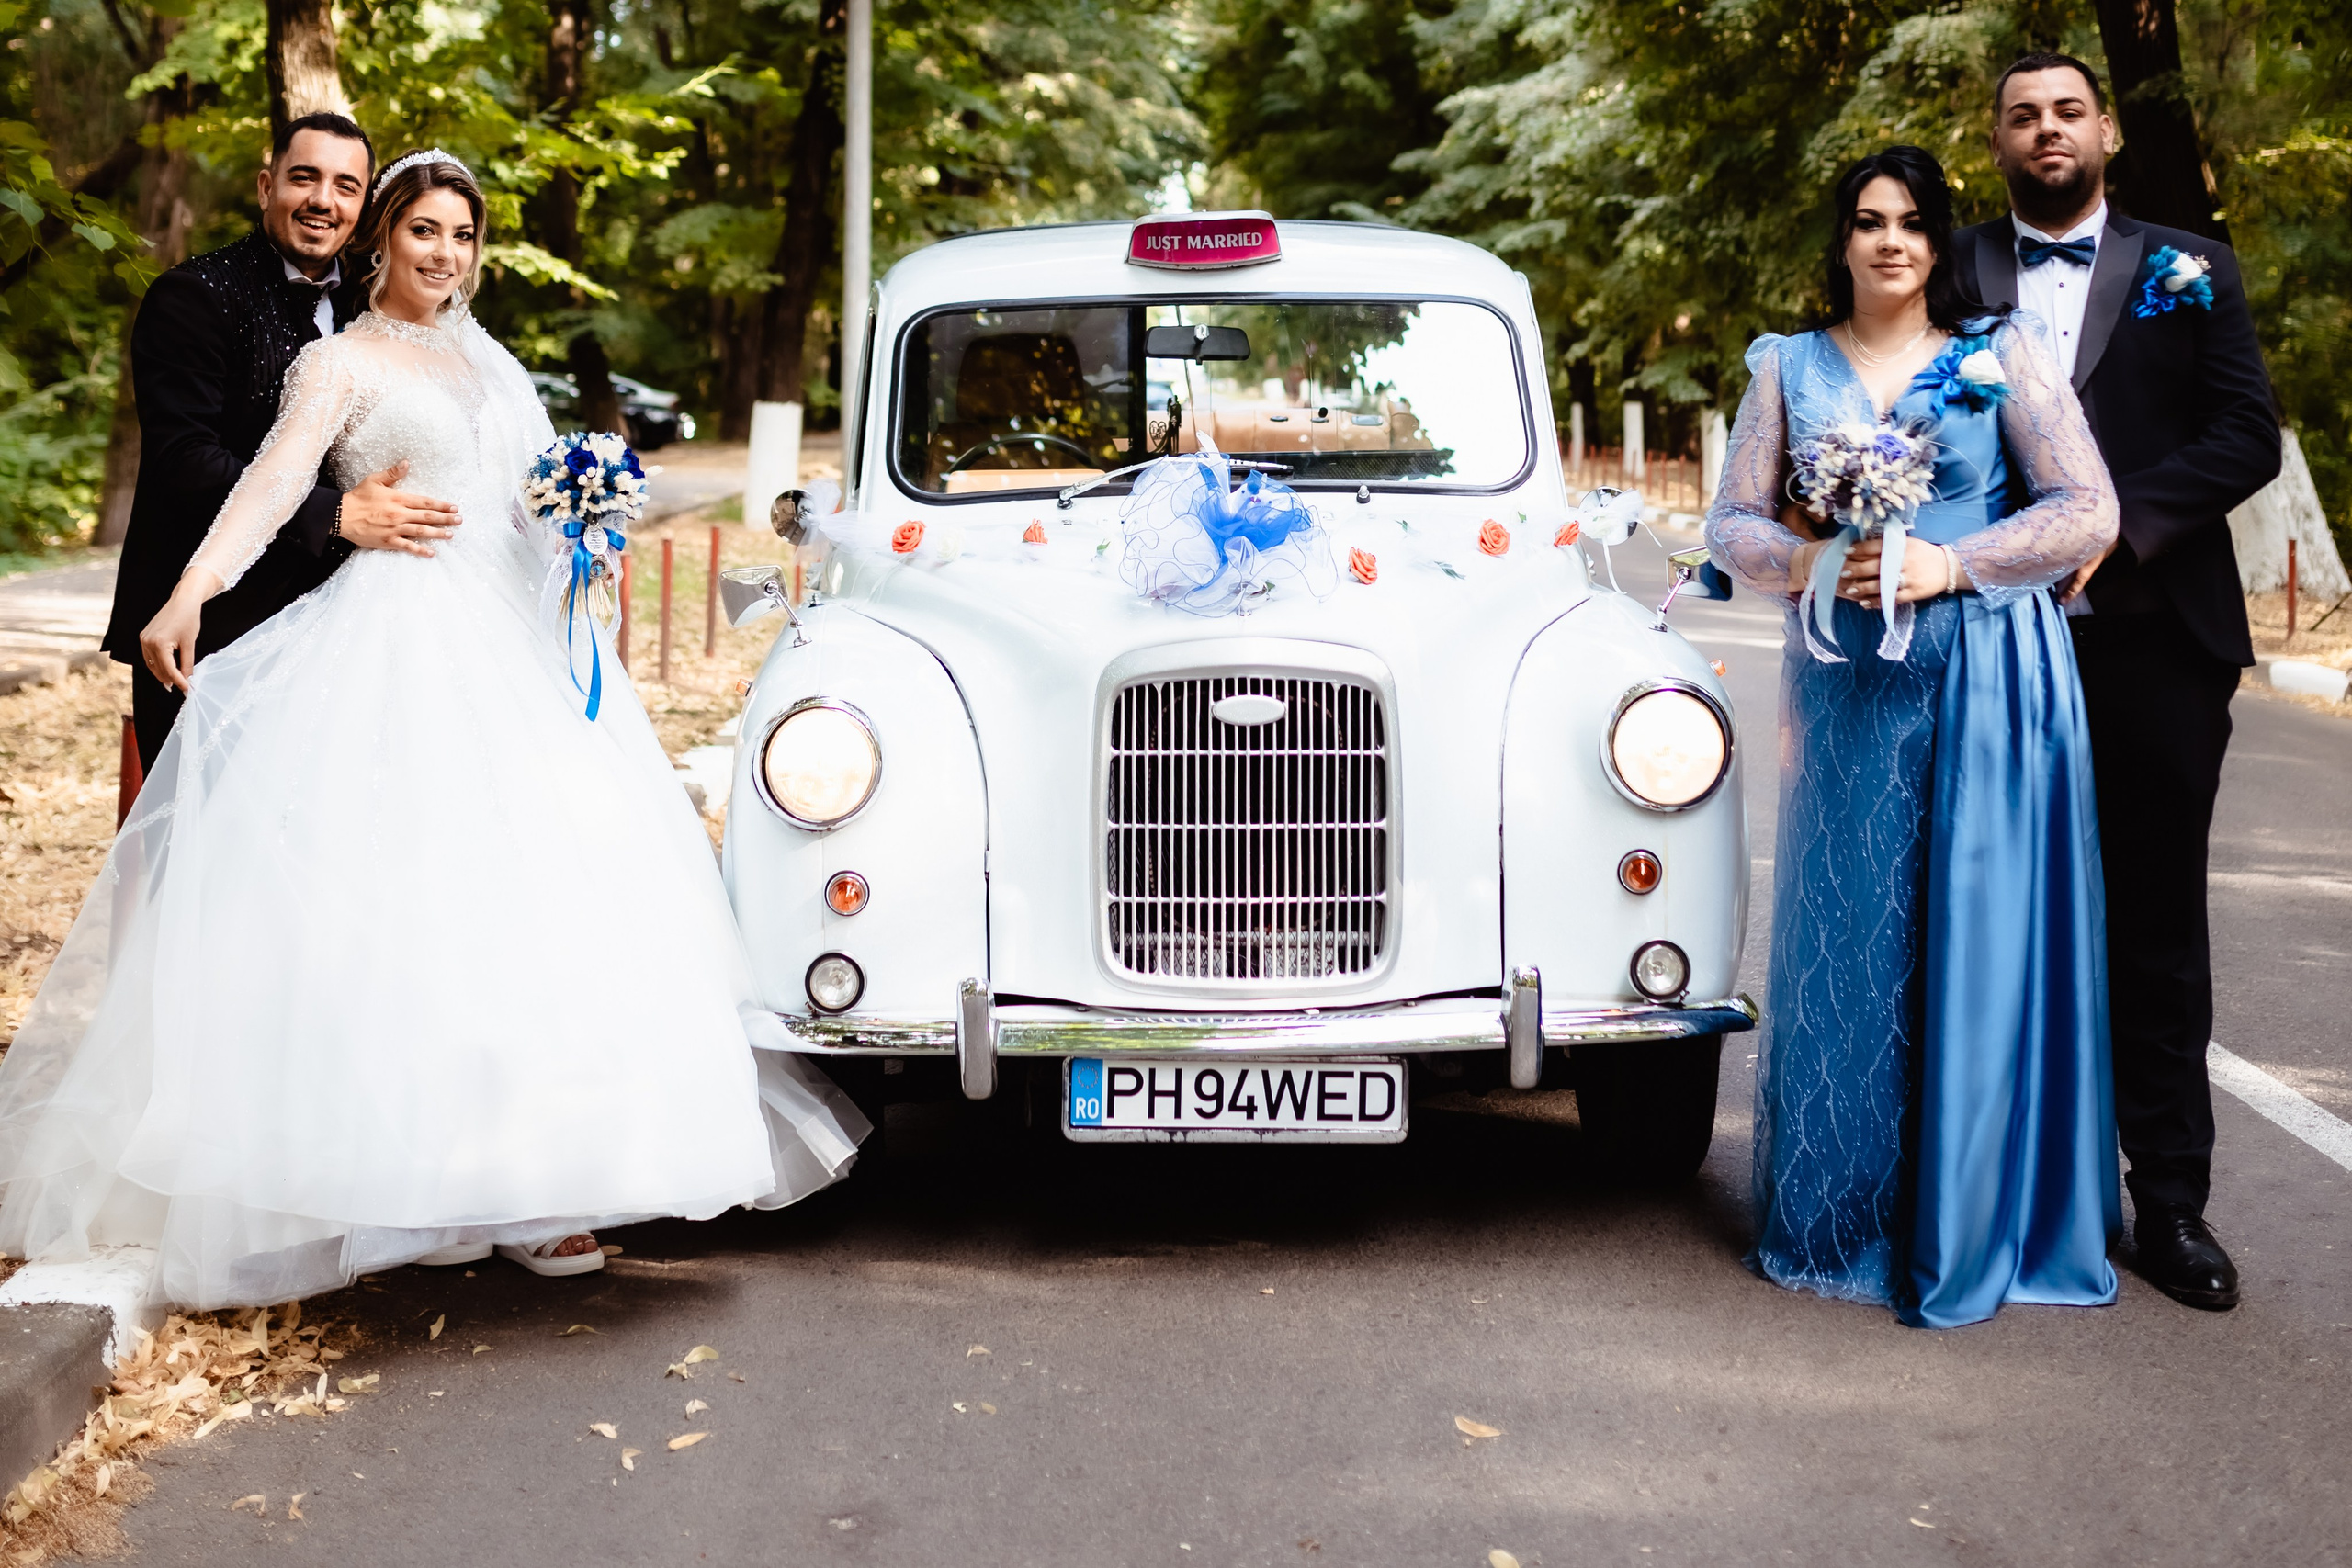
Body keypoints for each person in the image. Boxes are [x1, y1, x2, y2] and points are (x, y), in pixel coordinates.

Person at [0, 151, 866, 1309]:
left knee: (533, 903)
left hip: (514, 639)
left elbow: (523, 502)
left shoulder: (490, 361)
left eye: (463, 236)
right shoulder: (338, 363)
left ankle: (533, 1190)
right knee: (401, 908)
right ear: (384, 239)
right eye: (424, 232)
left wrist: (584, 538)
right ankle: (415, 1190)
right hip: (392, 639)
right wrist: (189, 592)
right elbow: (264, 488)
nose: (444, 254)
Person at [1706, 146, 2122, 1328]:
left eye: (1913, 223)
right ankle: (1833, 1222)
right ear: (1839, 240)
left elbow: (2086, 507)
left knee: (1976, 936)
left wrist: (1956, 561)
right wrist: (1803, 562)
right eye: (1867, 221)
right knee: (1849, 931)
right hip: (1844, 682)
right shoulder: (1787, 368)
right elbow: (1730, 518)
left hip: (1992, 669)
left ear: (1940, 241)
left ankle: (1977, 1215)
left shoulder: (2001, 353)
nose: (1891, 241)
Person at [1951, 54, 2283, 1313]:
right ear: (1997, 141)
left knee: (2152, 922)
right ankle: (1990, 1186)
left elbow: (2245, 433)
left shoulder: (2189, 265)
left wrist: (2114, 527)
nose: (2049, 130)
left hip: (2155, 639)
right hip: (1985, 634)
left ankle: (2174, 1203)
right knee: (1988, 907)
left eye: (2068, 112)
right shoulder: (1952, 264)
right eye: (2024, 115)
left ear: (2106, 131)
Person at [102, 112, 465, 776]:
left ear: (365, 208)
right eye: (305, 178)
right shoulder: (193, 297)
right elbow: (184, 460)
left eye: (346, 186)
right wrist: (332, 513)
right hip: (210, 624)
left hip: (338, 626)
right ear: (266, 186)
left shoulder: (375, 303)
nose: (324, 200)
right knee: (203, 844)